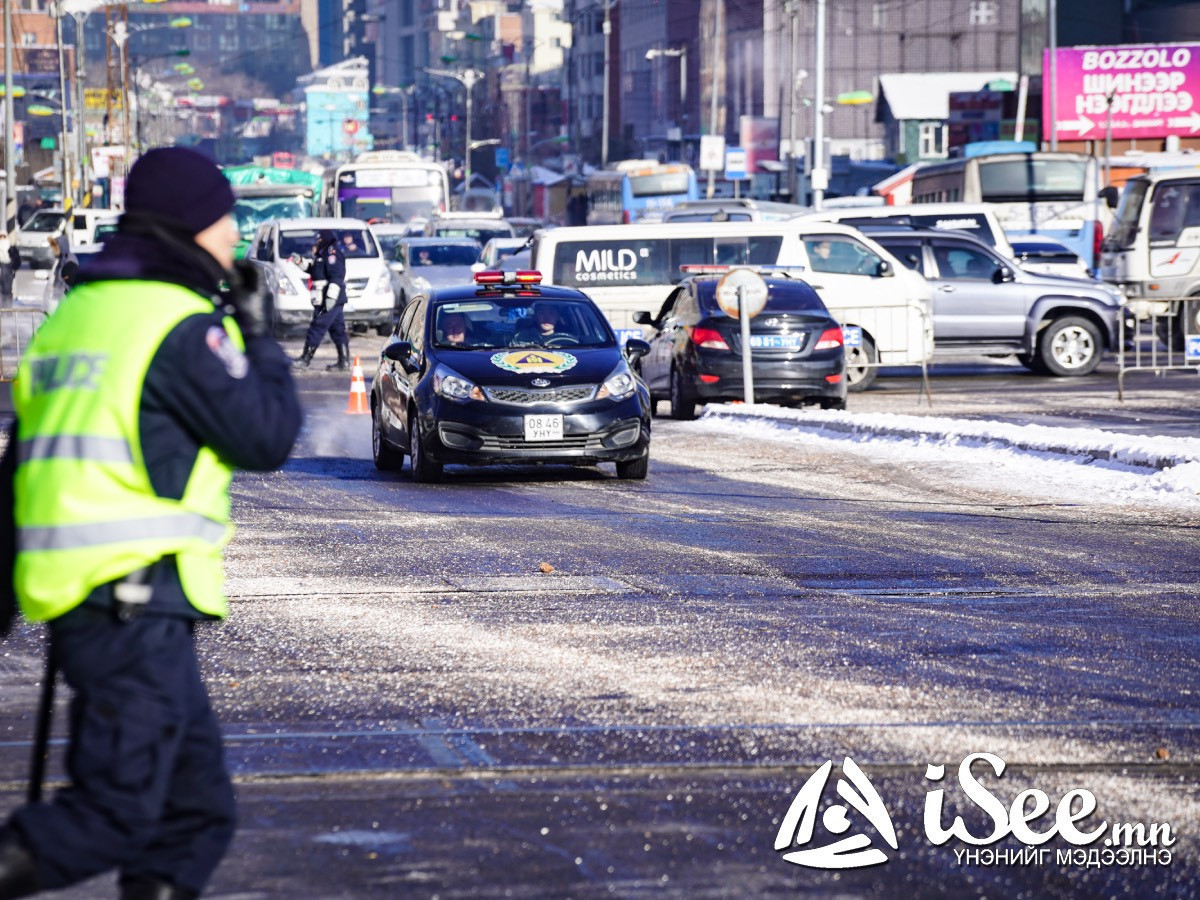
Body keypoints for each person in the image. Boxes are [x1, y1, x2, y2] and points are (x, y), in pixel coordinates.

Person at [0, 146, 302, 900]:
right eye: (225, 217)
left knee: (194, 814)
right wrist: (259, 335)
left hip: (101, 605)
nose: (235, 234)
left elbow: (19, 475)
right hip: (131, 603)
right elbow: (265, 437)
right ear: (192, 225)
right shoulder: (174, 323)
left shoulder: (77, 319)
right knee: (117, 812)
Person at [293, 230, 349, 371]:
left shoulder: (332, 254)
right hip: (325, 299)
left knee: (317, 327)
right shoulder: (322, 254)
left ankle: (305, 359)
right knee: (338, 330)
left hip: (329, 299)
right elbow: (316, 270)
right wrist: (300, 262)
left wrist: (330, 297)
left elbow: (336, 276)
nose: (316, 243)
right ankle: (344, 362)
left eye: (318, 240)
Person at [0, 232, 19, 306]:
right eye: (0, 237)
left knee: (7, 291)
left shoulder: (11, 248)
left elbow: (17, 260)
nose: (2, 239)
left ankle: (7, 309)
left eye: (3, 237)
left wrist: (13, 269)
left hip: (8, 271)